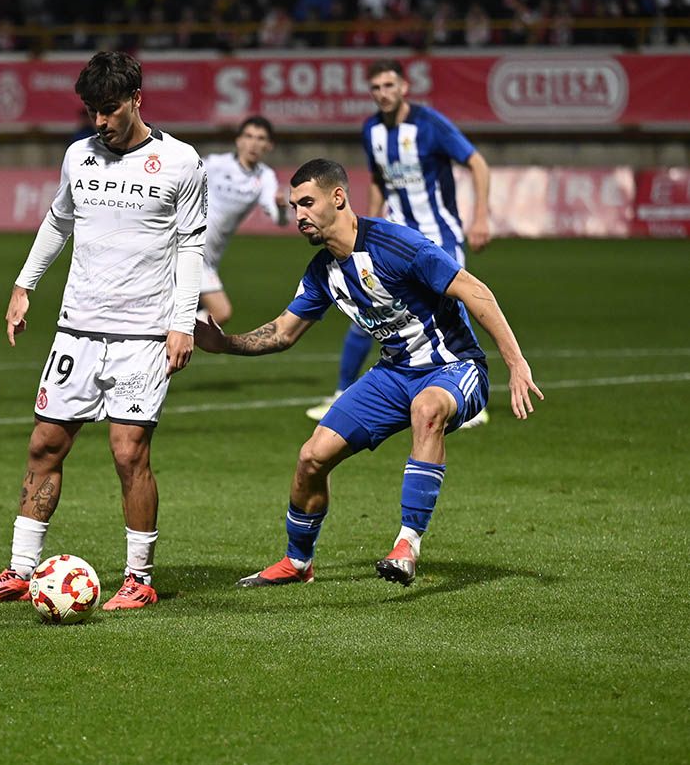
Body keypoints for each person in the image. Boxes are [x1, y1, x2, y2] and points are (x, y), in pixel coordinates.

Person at [196, 159, 540, 586]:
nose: (298, 214)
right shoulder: (322, 271)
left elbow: (474, 290)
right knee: (312, 457)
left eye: (307, 203)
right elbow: (283, 333)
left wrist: (515, 362)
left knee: (427, 408)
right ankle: (298, 563)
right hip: (393, 374)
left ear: (338, 197)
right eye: (294, 205)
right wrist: (225, 343)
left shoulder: (396, 245)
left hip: (454, 366)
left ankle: (407, 545)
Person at [0, 51, 207, 610]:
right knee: (44, 444)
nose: (99, 121)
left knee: (128, 453)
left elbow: (192, 245)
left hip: (143, 334)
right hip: (77, 329)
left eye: (109, 109)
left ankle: (139, 579)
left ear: (137, 99)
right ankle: (20, 570)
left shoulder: (180, 162)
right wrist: (24, 285)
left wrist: (181, 322)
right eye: (92, 110)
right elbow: (59, 220)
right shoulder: (79, 155)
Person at [307, 59, 492, 426]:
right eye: (376, 88)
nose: (383, 93)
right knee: (369, 308)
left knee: (454, 306)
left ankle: (468, 394)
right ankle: (342, 392)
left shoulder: (430, 124)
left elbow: (477, 162)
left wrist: (481, 216)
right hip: (395, 239)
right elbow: (378, 179)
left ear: (404, 87)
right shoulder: (371, 130)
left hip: (439, 235)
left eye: (389, 86)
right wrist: (365, 225)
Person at [199, 115, 279, 326]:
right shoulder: (215, 164)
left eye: (261, 138)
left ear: (269, 145)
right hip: (188, 249)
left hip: (210, 259)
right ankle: (171, 336)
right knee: (221, 312)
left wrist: (280, 207)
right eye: (249, 136)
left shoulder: (265, 176)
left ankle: (169, 337)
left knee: (190, 315)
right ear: (238, 140)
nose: (253, 143)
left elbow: (277, 217)